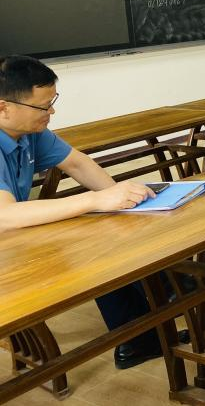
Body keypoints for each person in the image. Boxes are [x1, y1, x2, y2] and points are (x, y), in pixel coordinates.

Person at [0, 54, 169, 369]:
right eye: (43, 106)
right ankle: (160, 304)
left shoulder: (29, 133)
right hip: (8, 245)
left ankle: (139, 339)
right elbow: (5, 216)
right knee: (90, 245)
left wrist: (123, 198)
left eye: (52, 102)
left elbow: (77, 163)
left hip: (14, 239)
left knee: (104, 236)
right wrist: (95, 200)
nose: (51, 112)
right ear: (3, 107)